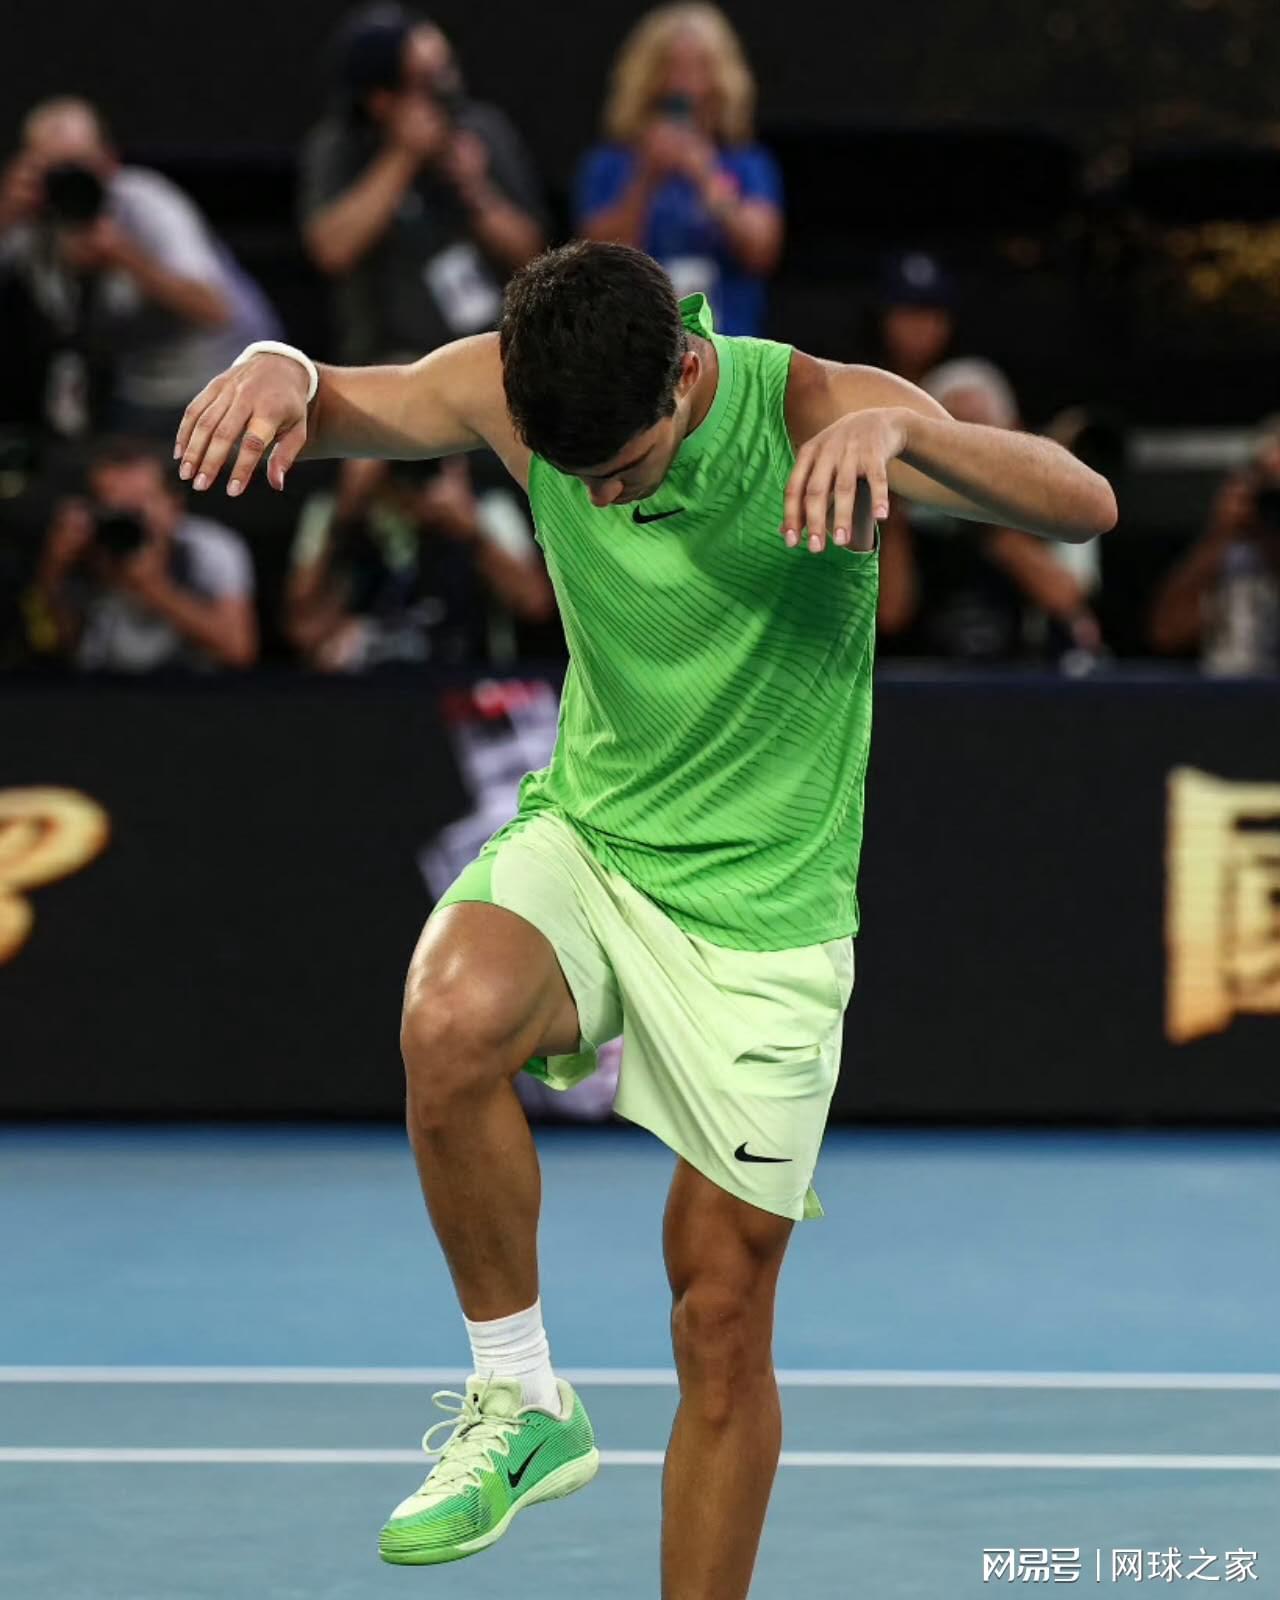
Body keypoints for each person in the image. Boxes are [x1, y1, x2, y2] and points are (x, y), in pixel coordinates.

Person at [175, 241, 1115, 1594]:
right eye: (576, 478)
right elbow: (341, 399)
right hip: (596, 842)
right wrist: (280, 365)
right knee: (448, 1021)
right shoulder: (515, 390)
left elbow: (1084, 506)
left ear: (683, 371)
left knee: (717, 1315)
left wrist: (911, 430)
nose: (603, 498)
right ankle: (521, 1398)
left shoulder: (817, 408)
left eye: (622, 467)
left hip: (765, 919)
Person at [0, 98, 278, 439]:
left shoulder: (147, 203)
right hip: (135, 389)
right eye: (55, 170)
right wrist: (6, 212)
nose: (70, 183)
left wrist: (125, 257)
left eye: (80, 166)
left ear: (109, 160)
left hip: (221, 379)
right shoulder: (29, 219)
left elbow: (215, 310)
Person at [300, 4, 547, 366]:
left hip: (494, 346)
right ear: (381, 99)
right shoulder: (341, 146)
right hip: (393, 360)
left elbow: (533, 255)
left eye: (447, 71)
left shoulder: (480, 130)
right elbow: (332, 250)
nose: (447, 90)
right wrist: (402, 157)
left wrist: (476, 190)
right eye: (426, 82)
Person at [878, 359, 1104, 661]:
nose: (965, 449)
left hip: (1015, 673)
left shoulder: (1038, 509)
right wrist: (897, 518)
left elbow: (1065, 599)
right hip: (922, 671)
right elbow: (890, 615)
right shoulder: (903, 511)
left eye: (981, 429)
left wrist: (989, 515)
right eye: (955, 428)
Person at [577, 3, 782, 335]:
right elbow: (595, 260)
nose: (683, 83)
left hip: (728, 337)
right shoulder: (611, 163)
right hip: (636, 339)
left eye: (699, 68)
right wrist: (645, 178)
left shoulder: (747, 163)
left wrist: (707, 176)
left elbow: (761, 252)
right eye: (669, 67)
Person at [284, 453, 553, 669]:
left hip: (463, 678)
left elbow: (535, 604)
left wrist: (472, 533)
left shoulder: (486, 508)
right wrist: (348, 515)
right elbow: (304, 628)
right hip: (365, 688)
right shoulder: (333, 514)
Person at [33, 437, 256, 672]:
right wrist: (54, 570)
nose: (128, 518)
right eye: (114, 506)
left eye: (139, 504)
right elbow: (54, 648)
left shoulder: (209, 549)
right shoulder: (87, 546)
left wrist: (153, 588)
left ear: (174, 505)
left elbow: (238, 650)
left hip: (189, 687)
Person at [1148, 415, 1280, 675]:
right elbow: (1167, 633)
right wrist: (1220, 533)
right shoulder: (1225, 554)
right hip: (1231, 692)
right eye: (1269, 481)